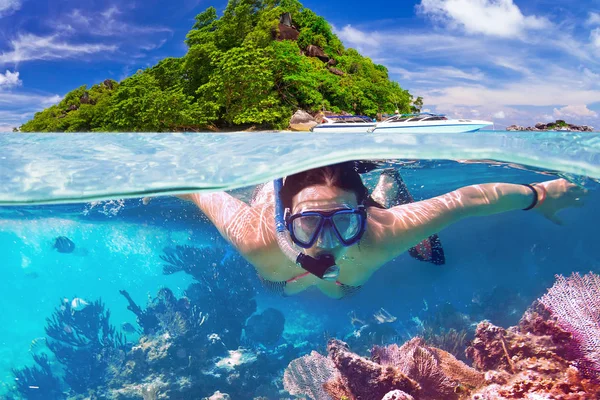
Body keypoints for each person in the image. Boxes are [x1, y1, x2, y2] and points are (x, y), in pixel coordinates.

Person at [177, 161, 587, 299]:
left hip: (353, 265)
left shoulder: (381, 233)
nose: (325, 242)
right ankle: (384, 187)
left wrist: (540, 194)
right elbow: (197, 188)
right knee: (279, 283)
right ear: (286, 223)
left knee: (342, 286)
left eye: (342, 221)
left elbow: (468, 200)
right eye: (306, 224)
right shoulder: (256, 237)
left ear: (361, 216)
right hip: (280, 271)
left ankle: (384, 187)